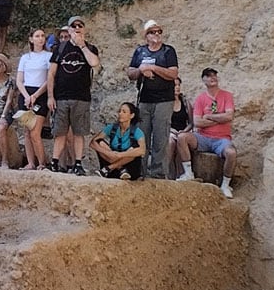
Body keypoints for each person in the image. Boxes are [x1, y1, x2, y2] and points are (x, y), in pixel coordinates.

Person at [126, 19, 179, 179]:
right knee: (142, 136)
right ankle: (140, 171)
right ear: (146, 36)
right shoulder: (140, 51)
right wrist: (141, 70)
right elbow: (130, 73)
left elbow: (173, 74)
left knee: (161, 137)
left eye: (159, 31)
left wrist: (153, 68)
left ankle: (158, 173)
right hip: (144, 99)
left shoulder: (168, 51)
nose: (157, 34)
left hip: (164, 99)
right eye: (152, 32)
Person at [47, 15, 99, 174]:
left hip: (81, 97)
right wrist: (50, 96)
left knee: (79, 132)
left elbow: (94, 63)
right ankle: (55, 162)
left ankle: (78, 163)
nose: (77, 28)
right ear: (69, 30)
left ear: (84, 29)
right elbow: (51, 74)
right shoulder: (60, 48)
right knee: (60, 132)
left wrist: (82, 46)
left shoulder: (90, 48)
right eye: (74, 26)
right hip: (61, 97)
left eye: (80, 26)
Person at [176, 66, 237, 198]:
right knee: (182, 138)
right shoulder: (200, 99)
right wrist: (220, 119)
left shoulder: (227, 96)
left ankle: (225, 185)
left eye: (214, 75)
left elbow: (229, 116)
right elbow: (197, 122)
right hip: (203, 137)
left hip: (221, 138)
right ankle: (188, 173)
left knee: (231, 153)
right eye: (209, 76)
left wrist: (209, 117)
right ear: (203, 80)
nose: (212, 78)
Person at [14, 29, 53, 170]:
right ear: (31, 39)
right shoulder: (25, 58)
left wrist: (35, 95)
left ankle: (42, 163)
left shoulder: (49, 56)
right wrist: (26, 96)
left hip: (40, 94)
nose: (40, 39)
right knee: (27, 132)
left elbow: (49, 79)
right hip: (26, 93)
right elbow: (19, 80)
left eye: (42, 36)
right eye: (37, 36)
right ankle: (30, 163)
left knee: (35, 132)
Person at [94, 102, 147, 178]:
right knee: (99, 142)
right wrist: (109, 154)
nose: (120, 114)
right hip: (114, 169)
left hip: (129, 171)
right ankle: (120, 168)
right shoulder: (111, 128)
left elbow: (142, 151)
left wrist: (120, 155)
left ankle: (110, 167)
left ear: (131, 115)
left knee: (136, 147)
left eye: (124, 112)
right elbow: (93, 142)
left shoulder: (137, 132)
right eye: (119, 111)